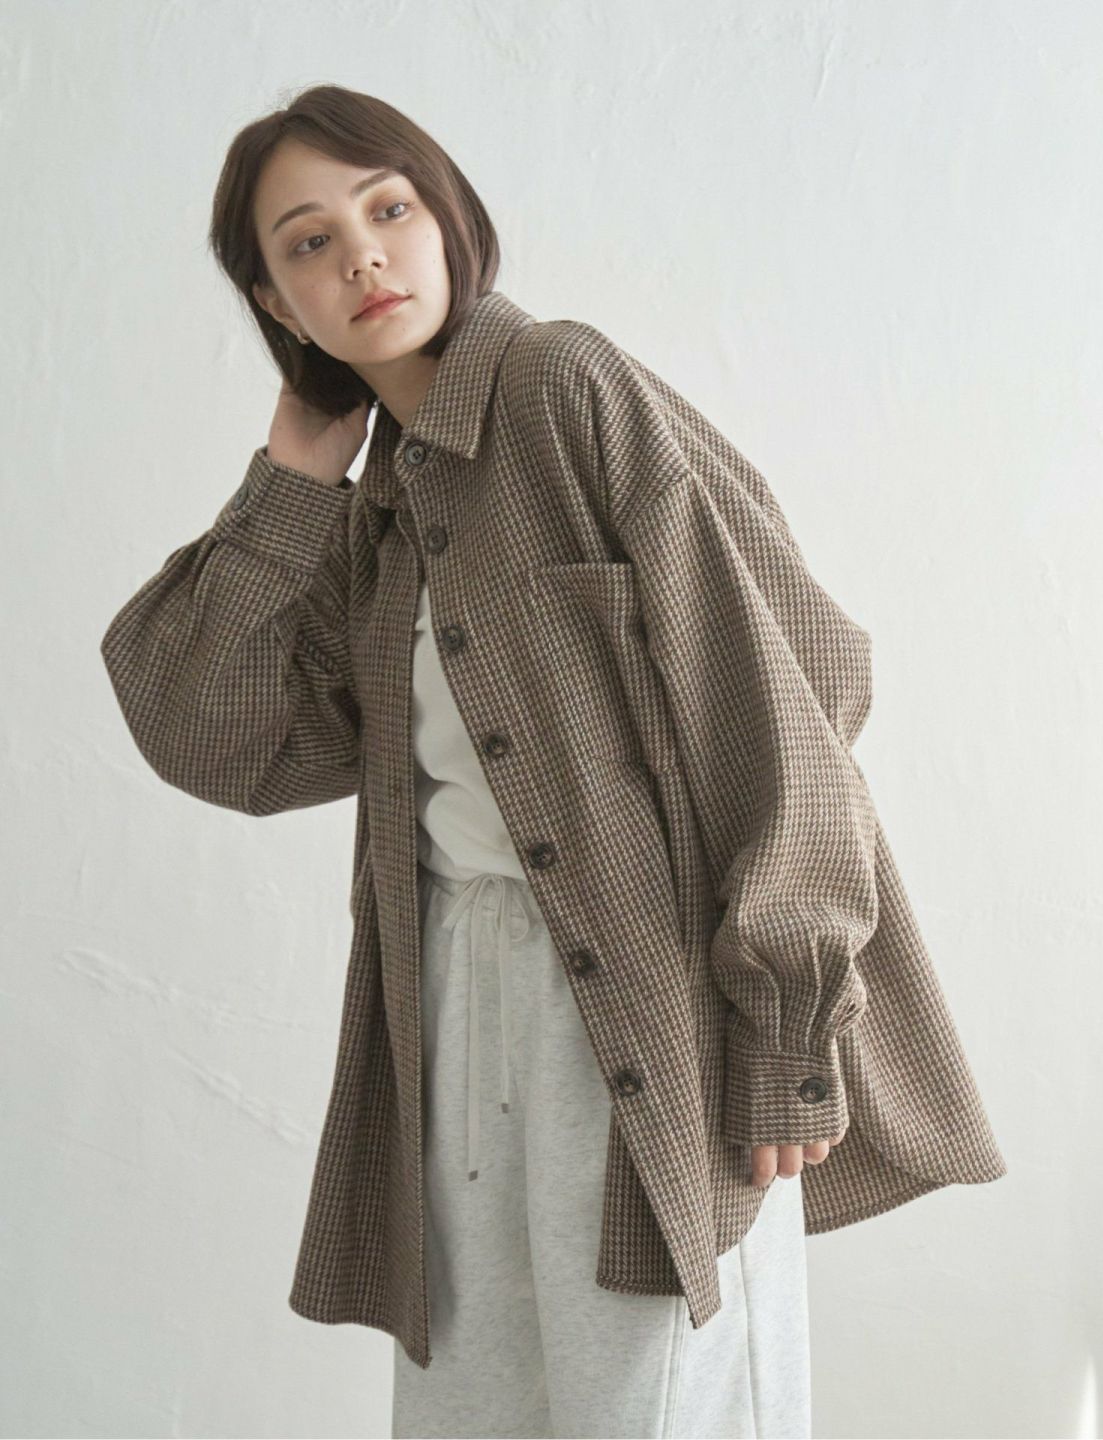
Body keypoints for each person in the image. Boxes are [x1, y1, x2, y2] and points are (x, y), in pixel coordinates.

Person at [101, 83, 1006, 1440]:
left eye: (389, 208)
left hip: (649, 1003)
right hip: (448, 1007)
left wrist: (787, 1029)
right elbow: (204, 731)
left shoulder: (563, 387)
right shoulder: (375, 510)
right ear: (276, 303)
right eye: (309, 243)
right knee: (476, 1417)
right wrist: (289, 485)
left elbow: (793, 686)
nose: (362, 256)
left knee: (663, 1409)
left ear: (448, 219)